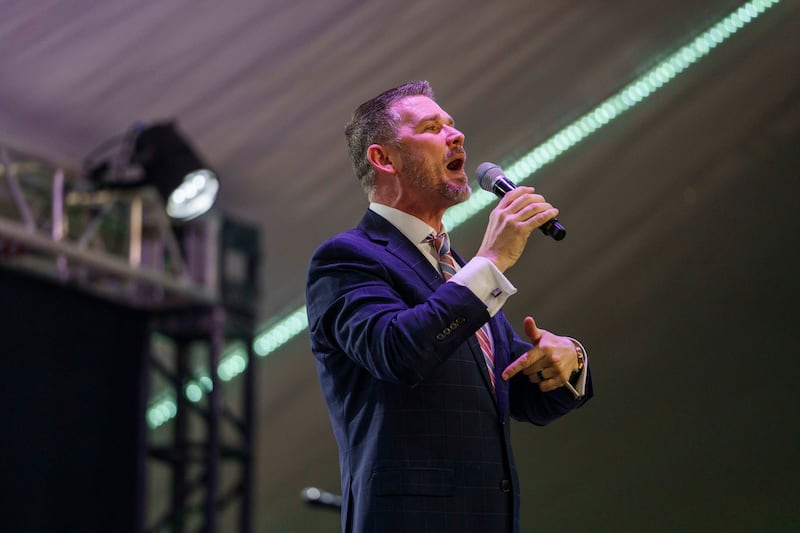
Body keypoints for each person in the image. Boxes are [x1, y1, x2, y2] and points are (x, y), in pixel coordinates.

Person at [306, 80, 593, 533]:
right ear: (383, 158)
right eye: (431, 127)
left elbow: (522, 395)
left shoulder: (455, 270)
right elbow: (397, 351)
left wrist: (567, 360)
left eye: (452, 126)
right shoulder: (346, 259)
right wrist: (492, 261)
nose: (455, 136)